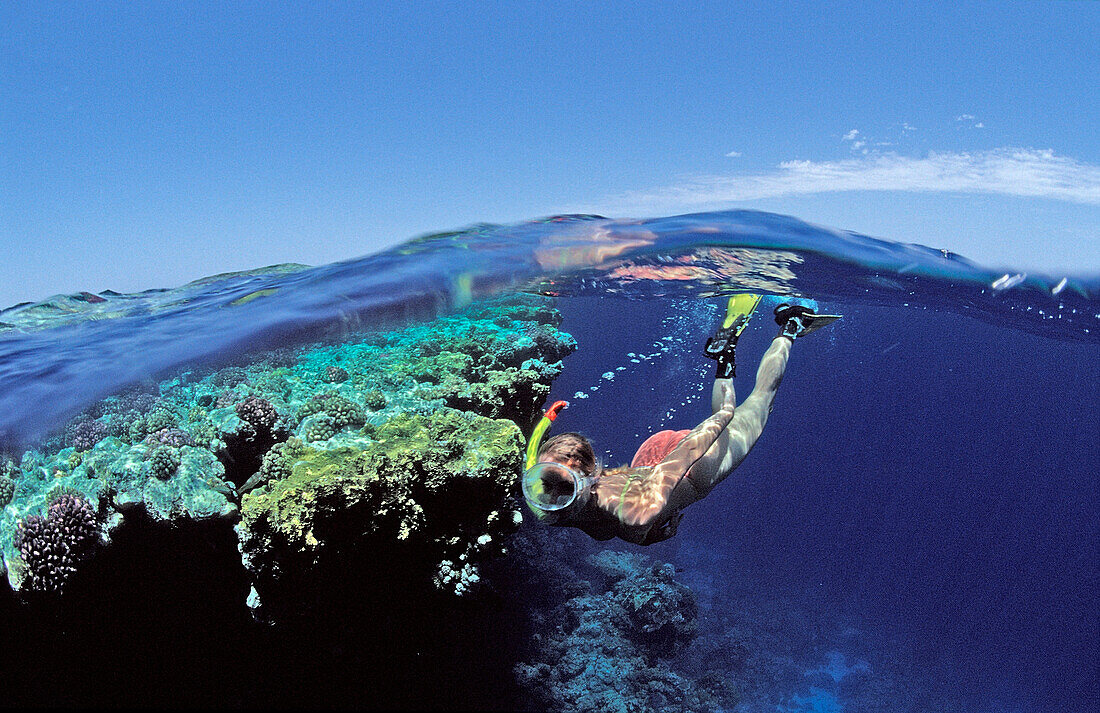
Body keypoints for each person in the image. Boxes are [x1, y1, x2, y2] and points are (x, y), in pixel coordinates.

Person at [521, 295, 839, 545]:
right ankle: (724, 355)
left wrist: (724, 415)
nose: (552, 498)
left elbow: (683, 456)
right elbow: (533, 450)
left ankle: (791, 326)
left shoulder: (637, 514)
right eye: (545, 483)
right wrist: (546, 421)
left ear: (590, 480)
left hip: (690, 471)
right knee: (734, 417)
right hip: (650, 459)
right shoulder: (541, 495)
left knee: (759, 404)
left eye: (563, 486)